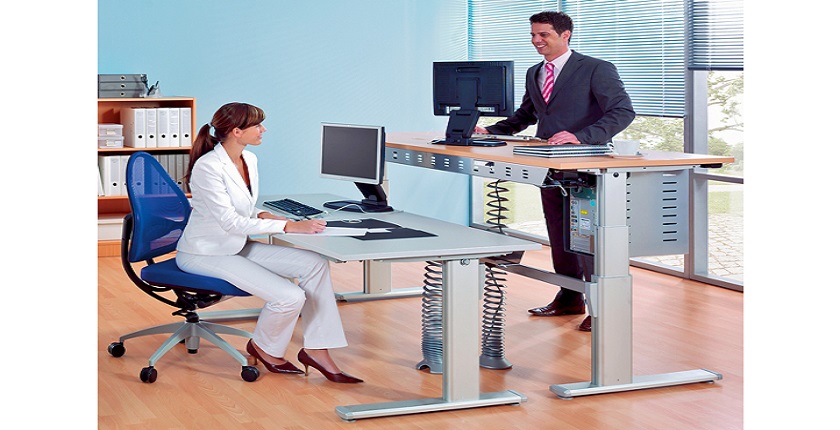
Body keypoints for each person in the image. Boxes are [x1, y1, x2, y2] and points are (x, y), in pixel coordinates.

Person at [175, 102, 362, 383]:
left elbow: (241, 207)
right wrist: (288, 226)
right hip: (205, 253)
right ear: (237, 131)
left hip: (236, 246)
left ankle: (317, 350)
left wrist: (261, 214)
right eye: (257, 125)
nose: (263, 130)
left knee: (314, 263)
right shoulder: (208, 167)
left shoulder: (248, 159)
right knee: (289, 296)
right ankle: (264, 347)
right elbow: (229, 221)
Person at [475, 11, 635, 332]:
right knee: (559, 233)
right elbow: (526, 115)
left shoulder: (596, 68)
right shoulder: (535, 72)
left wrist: (581, 136)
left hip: (585, 164)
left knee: (587, 236)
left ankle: (602, 307)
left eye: (543, 34)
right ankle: (569, 296)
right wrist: (490, 131)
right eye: (533, 35)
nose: (536, 40)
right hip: (550, 165)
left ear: (565, 35)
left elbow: (622, 111)